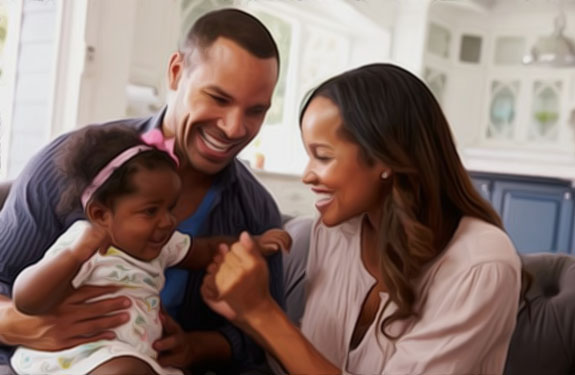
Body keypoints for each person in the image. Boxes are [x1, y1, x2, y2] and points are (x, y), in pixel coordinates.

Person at [0, 8, 283, 374]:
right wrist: (13, 321)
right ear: (177, 73)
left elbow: (265, 341)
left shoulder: (255, 213)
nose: (234, 128)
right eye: (218, 98)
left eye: (256, 111)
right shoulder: (74, 163)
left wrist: (197, 347)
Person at [201, 63, 522, 374]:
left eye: (323, 156)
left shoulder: (479, 264)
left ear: (386, 156)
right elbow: (309, 361)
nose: (307, 175)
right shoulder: (334, 232)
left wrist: (263, 312)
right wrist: (245, 312)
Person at [9, 125, 290, 375]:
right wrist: (73, 257)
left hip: (141, 357)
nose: (168, 220)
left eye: (170, 208)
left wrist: (252, 244)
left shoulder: (163, 246)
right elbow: (26, 299)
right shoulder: (84, 243)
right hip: (82, 358)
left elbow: (207, 250)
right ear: (101, 214)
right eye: (150, 211)